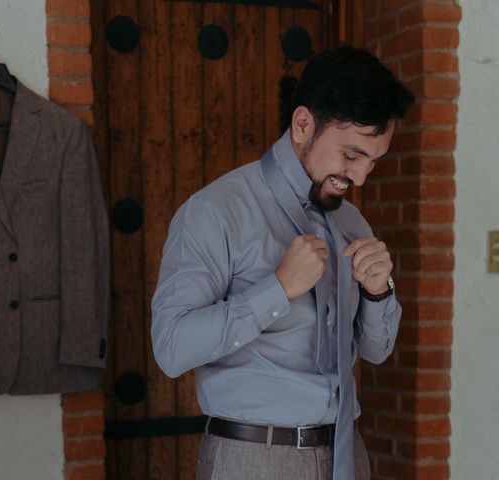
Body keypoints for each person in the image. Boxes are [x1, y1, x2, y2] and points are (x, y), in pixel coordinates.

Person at [151, 45, 414, 480]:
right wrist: (277, 289)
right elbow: (172, 348)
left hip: (347, 454)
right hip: (254, 458)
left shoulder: (353, 222)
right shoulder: (216, 212)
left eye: (373, 161)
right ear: (303, 124)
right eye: (351, 155)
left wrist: (377, 293)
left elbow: (376, 350)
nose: (362, 177)